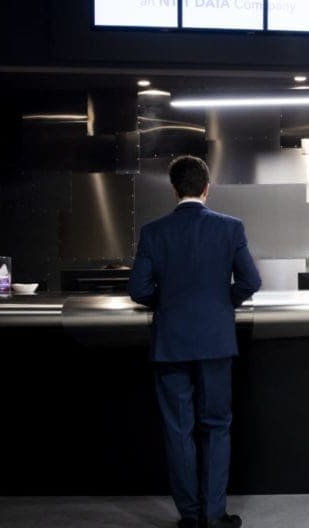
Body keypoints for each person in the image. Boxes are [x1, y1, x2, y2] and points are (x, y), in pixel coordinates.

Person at [128, 155, 262, 528]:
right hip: (216, 342)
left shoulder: (153, 232)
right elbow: (251, 282)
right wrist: (222, 302)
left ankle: (189, 516)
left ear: (175, 190)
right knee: (216, 425)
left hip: (171, 343)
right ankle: (215, 515)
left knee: (178, 429)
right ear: (207, 188)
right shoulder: (230, 227)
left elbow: (138, 289)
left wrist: (168, 302)